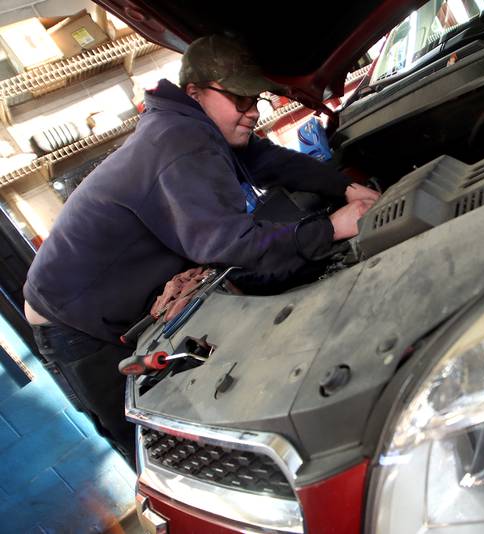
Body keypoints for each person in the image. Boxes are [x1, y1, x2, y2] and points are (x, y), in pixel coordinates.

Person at [22, 34, 379, 466]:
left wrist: (343, 186)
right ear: (195, 92)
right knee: (158, 448)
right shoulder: (179, 141)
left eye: (255, 99)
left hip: (108, 310)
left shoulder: (200, 129)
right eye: (238, 98)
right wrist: (332, 228)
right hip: (76, 325)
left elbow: (274, 161)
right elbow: (231, 245)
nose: (252, 112)